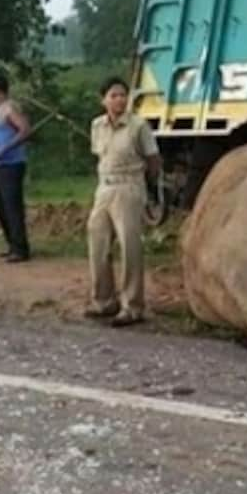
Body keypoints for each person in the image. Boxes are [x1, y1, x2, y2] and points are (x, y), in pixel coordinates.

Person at [83, 77, 162, 328]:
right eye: (113, 95)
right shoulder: (97, 126)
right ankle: (103, 300)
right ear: (103, 99)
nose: (119, 100)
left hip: (129, 186)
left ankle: (132, 305)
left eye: (123, 95)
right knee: (98, 243)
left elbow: (153, 160)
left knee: (129, 247)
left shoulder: (138, 126)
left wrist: (149, 187)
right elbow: (100, 154)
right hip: (104, 187)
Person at [0, 72, 35, 263]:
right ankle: (12, 244)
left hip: (11, 165)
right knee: (1, 208)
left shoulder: (9, 109)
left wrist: (6, 147)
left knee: (12, 207)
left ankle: (21, 248)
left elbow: (25, 129)